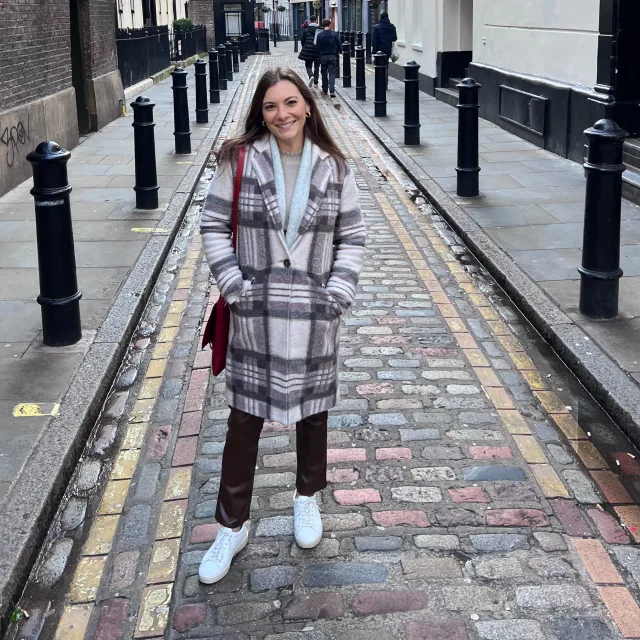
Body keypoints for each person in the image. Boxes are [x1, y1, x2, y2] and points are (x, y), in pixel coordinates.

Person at [198, 67, 366, 585]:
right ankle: (232, 525)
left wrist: (337, 293)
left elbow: (352, 237)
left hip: (315, 315)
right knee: (243, 421)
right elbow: (211, 224)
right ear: (261, 113)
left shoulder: (335, 167)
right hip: (258, 315)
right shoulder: (239, 160)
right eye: (271, 107)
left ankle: (306, 500)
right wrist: (234, 288)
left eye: (291, 103)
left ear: (308, 107)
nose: (282, 114)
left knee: (313, 416)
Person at [315, 18, 342, 97]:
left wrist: (317, 56)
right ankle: (332, 90)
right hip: (332, 56)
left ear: (323, 25)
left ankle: (325, 89)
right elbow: (338, 44)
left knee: (324, 74)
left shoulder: (320, 35)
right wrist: (341, 51)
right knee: (332, 74)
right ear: (330, 24)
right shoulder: (334, 34)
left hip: (323, 57)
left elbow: (317, 47)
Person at [372, 11, 397, 88]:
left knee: (379, 67)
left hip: (379, 50)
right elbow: (394, 38)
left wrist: (374, 51)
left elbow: (374, 41)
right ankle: (385, 83)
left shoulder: (376, 27)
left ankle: (380, 83)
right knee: (385, 66)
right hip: (388, 49)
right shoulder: (392, 27)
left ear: (381, 17)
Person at [298, 15, 321, 87]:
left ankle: (311, 76)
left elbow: (302, 41)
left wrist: (305, 47)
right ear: (316, 20)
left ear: (310, 21)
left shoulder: (306, 30)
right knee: (317, 66)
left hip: (307, 50)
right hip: (317, 51)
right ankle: (316, 83)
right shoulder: (320, 29)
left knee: (308, 65)